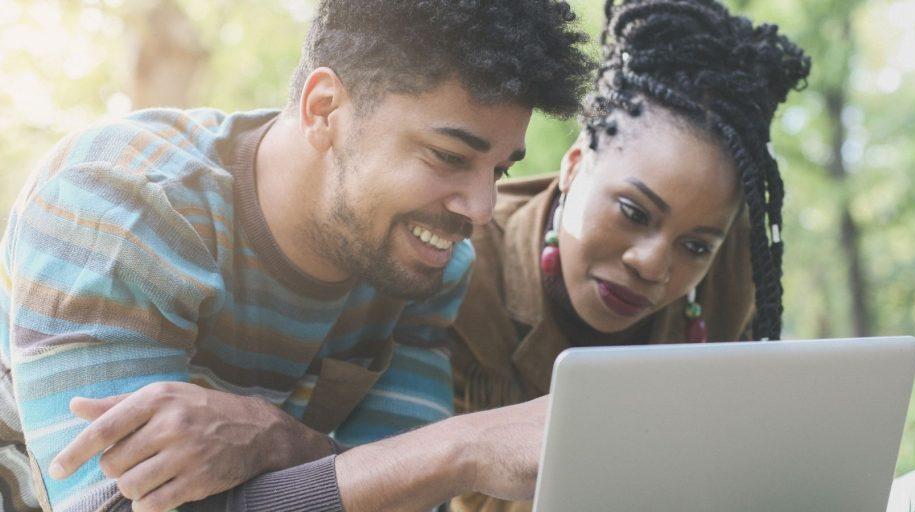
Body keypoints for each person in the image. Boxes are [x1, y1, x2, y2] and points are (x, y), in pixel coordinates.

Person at [0, 1, 591, 511]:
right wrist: (464, 447)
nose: (483, 208)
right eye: (448, 156)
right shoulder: (119, 206)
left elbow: (410, 495)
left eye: (501, 169)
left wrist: (279, 441)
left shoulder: (423, 267)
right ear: (324, 108)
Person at [446, 0, 811, 510]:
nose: (653, 265)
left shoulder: (733, 280)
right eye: (634, 212)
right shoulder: (462, 270)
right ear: (574, 166)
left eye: (696, 246)